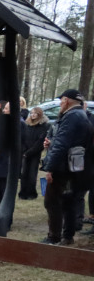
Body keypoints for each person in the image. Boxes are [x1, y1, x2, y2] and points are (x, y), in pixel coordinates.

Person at [41, 89, 92, 246]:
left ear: (67, 100)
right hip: (74, 167)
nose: (60, 103)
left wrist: (50, 168)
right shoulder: (81, 116)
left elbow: (62, 145)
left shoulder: (71, 116)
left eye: (62, 100)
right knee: (68, 201)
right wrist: (52, 143)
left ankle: (54, 236)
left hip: (63, 168)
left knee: (52, 201)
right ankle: (67, 236)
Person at [19, 106, 50, 200]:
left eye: (35, 113)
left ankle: (31, 193)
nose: (33, 115)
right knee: (24, 173)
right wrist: (24, 151)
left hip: (34, 154)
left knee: (32, 174)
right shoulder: (26, 124)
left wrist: (29, 152)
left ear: (39, 115)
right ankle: (22, 193)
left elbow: (40, 143)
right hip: (25, 152)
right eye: (31, 113)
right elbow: (22, 138)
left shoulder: (43, 126)